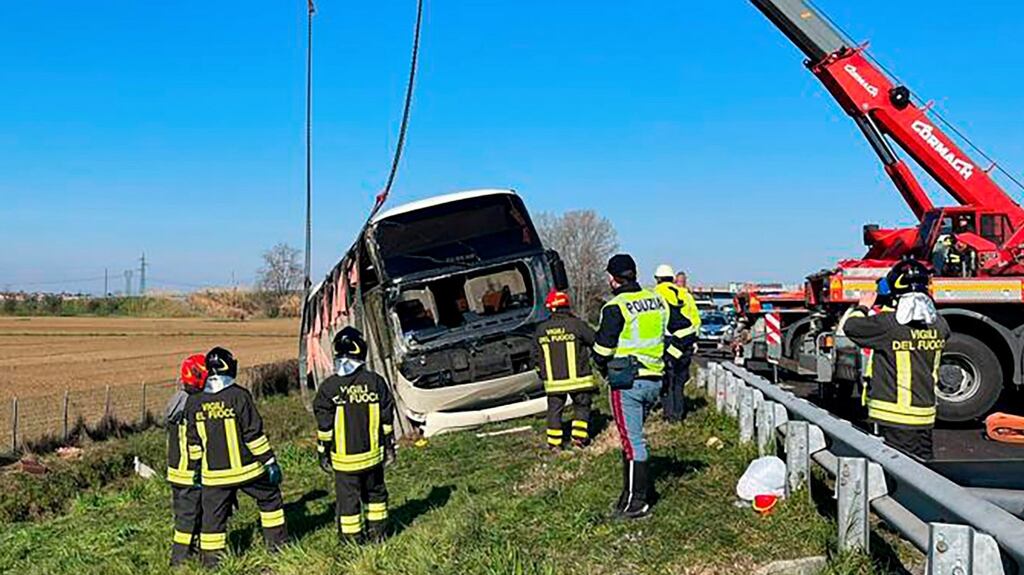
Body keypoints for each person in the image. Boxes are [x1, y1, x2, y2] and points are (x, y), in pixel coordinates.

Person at [185, 347, 287, 568]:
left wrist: (196, 469)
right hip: (248, 470)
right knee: (270, 500)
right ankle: (277, 548)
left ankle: (212, 564)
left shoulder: (193, 403)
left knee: (212, 520)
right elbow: (253, 434)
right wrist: (269, 461)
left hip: (214, 477)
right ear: (229, 367)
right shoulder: (239, 396)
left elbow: (193, 441)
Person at [840, 259, 950, 460]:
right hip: (925, 415)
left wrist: (863, 306)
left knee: (898, 476)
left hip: (893, 418)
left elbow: (851, 326)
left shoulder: (887, 325)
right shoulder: (940, 325)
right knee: (924, 475)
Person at [593, 254, 669, 519]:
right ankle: (628, 495)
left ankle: (637, 502)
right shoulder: (657, 300)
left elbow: (602, 349)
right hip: (654, 380)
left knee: (632, 441)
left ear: (613, 279)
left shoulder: (616, 307)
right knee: (632, 440)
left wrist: (602, 367)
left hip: (627, 381)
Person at [313, 326, 396, 544]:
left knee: (348, 501)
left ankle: (351, 541)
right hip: (373, 456)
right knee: (376, 495)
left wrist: (323, 452)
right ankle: (378, 534)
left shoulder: (329, 388)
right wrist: (389, 447)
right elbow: (387, 419)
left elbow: (325, 428)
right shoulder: (375, 382)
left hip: (344, 462)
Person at [533, 289, 598, 451]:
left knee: (554, 411)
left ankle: (555, 444)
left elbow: (534, 356)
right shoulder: (576, 325)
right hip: (580, 380)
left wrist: (542, 373)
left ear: (551, 308)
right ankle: (578, 440)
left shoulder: (541, 329)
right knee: (581, 407)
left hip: (554, 383)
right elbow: (595, 341)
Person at [166, 354, 207, 567]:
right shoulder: (194, 403)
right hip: (190, 471)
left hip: (176, 470)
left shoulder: (177, 400)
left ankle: (188, 553)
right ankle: (179, 561)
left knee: (185, 515)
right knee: (188, 518)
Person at [653, 265, 697, 423]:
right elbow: (695, 319)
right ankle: (679, 415)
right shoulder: (685, 294)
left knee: (667, 380)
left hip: (669, 341)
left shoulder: (656, 294)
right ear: (672, 279)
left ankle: (670, 416)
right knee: (679, 381)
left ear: (657, 279)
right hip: (686, 341)